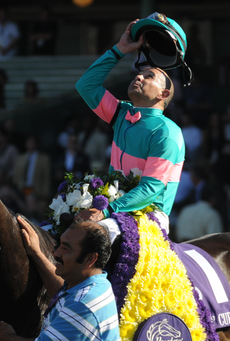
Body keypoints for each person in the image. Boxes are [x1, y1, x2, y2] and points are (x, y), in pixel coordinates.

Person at [73, 19, 185, 242]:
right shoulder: (121, 113)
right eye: (139, 73)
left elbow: (151, 188)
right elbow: (85, 86)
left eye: (149, 76)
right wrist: (119, 50)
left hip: (149, 216)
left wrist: (106, 211)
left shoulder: (168, 133)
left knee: (89, 239)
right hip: (113, 210)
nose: (139, 76)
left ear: (163, 95)